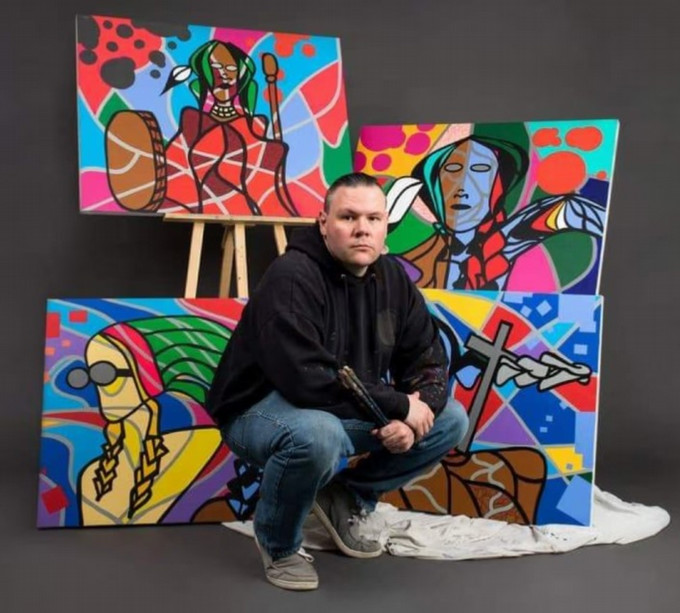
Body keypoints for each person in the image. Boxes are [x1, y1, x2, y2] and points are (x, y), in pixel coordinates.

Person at [206, 172, 469, 590]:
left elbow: (428, 358)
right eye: (348, 217)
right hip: (256, 410)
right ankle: (280, 546)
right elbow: (307, 378)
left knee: (449, 418)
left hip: (338, 406)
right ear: (323, 222)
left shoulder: (392, 278)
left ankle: (345, 496)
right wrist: (398, 407)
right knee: (317, 435)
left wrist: (413, 415)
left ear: (385, 225)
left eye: (373, 218)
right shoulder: (291, 277)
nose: (362, 228)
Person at [388, 135, 606, 289]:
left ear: (500, 186)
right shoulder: (415, 260)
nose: (462, 188)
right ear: (433, 187)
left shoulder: (508, 238)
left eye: (481, 170)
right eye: (452, 170)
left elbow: (568, 210)